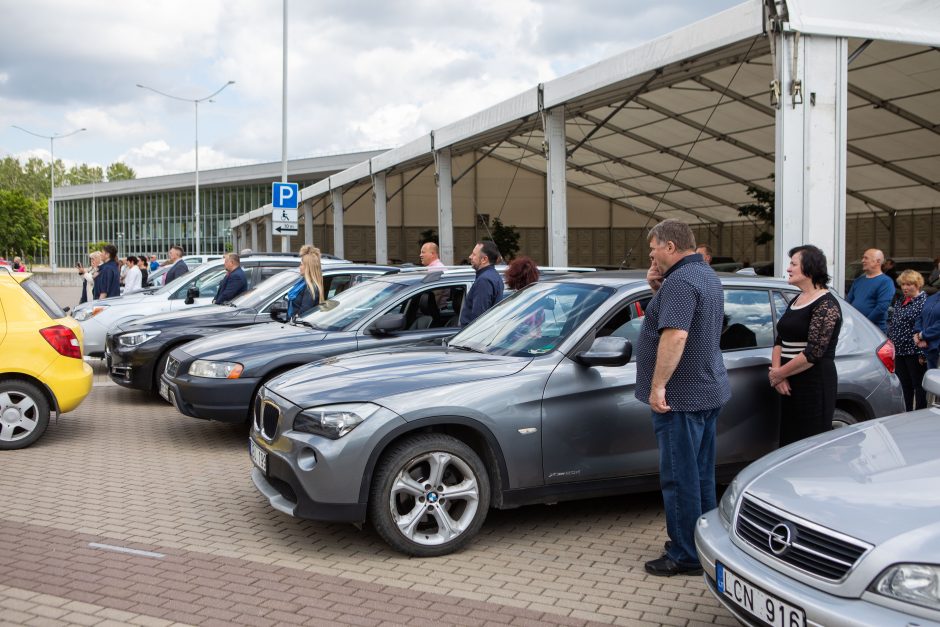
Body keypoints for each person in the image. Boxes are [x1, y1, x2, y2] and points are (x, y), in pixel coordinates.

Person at [635, 219, 730, 577]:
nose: (652, 254)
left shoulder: (681, 282)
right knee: (701, 475)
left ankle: (685, 554)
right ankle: (702, 541)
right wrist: (657, 288)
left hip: (681, 399)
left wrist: (658, 387)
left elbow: (675, 336)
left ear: (671, 247)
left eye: (654, 248)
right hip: (706, 391)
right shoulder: (704, 275)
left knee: (679, 478)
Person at [769, 245, 842, 446]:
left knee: (809, 445)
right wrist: (777, 374)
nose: (788, 269)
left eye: (793, 264)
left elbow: (813, 353)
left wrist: (780, 373)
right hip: (789, 383)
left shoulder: (826, 304)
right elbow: (780, 339)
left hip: (814, 386)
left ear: (809, 268)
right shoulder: (797, 298)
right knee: (789, 443)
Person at [888, 270, 928, 411]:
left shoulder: (924, 302)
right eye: (903, 284)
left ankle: (921, 413)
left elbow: (924, 327)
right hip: (899, 350)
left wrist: (922, 353)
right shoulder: (900, 301)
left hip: (914, 351)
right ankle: (907, 413)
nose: (905, 287)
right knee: (904, 385)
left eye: (909, 284)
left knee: (918, 385)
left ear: (917, 285)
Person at [845, 248, 893, 333]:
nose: (862, 261)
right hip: (855, 328)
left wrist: (864, 324)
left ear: (878, 262)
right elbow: (848, 303)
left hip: (874, 331)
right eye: (863, 258)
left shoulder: (885, 282)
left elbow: (881, 308)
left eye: (866, 258)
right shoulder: (858, 280)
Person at [459, 240, 504, 326]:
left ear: (484, 259)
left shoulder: (484, 280)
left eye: (474, 254)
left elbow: (479, 318)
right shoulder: (493, 275)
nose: (470, 256)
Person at [286, 247, 323, 318]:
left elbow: (304, 313)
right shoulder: (301, 282)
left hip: (298, 326)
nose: (299, 267)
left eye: (301, 264)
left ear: (308, 267)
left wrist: (294, 319)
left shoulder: (311, 288)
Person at [914, 290, 940, 369]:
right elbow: (920, 317)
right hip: (930, 351)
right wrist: (919, 333)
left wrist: (922, 335)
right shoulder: (931, 298)